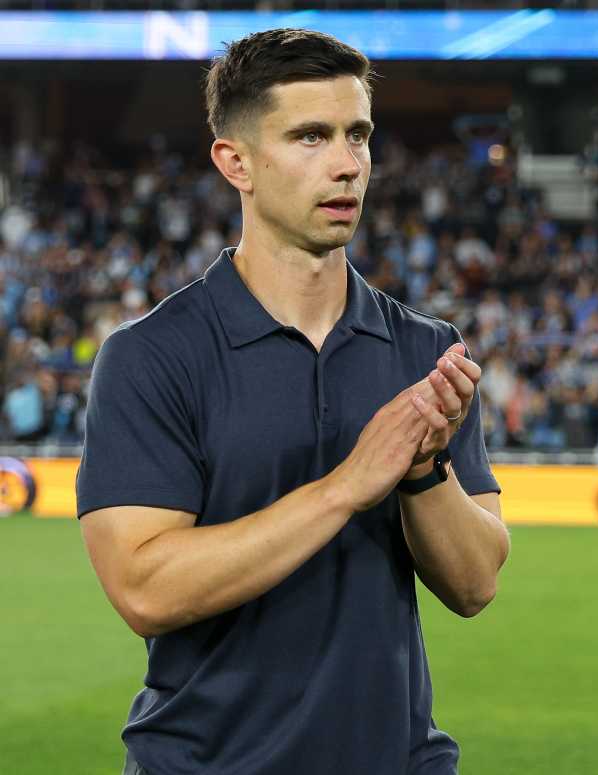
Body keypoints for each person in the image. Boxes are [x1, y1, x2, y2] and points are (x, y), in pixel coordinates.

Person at [76, 28, 510, 775]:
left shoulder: (424, 348)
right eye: (310, 136)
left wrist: (423, 467)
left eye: (358, 135)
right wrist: (348, 485)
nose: (347, 165)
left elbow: (475, 584)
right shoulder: (152, 355)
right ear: (234, 161)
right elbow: (144, 588)